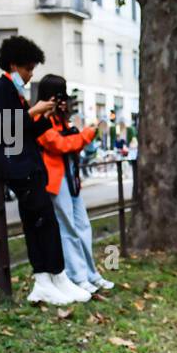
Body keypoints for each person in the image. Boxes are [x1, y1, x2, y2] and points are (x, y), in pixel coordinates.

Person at [0, 35, 86, 305]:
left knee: (42, 224)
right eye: (28, 69)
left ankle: (50, 279)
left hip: (25, 167)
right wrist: (32, 112)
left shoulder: (12, 91)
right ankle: (51, 278)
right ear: (14, 65)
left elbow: (22, 131)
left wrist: (44, 116)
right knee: (44, 223)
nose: (30, 75)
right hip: (18, 168)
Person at [36, 74, 114, 296]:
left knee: (82, 226)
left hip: (70, 178)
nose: (64, 103)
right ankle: (78, 276)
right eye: (61, 98)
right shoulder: (40, 120)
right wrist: (87, 134)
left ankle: (91, 274)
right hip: (56, 181)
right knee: (68, 227)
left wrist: (81, 137)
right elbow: (59, 145)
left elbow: (70, 144)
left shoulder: (60, 120)